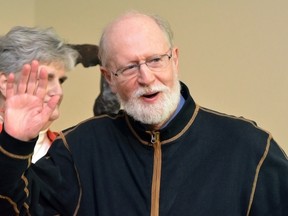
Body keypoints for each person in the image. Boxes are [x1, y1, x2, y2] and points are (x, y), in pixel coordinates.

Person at [0, 11, 287, 216]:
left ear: (174, 59)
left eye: (155, 60)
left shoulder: (251, 148)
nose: (146, 77)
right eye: (128, 68)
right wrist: (14, 142)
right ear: (108, 78)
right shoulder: (77, 149)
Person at [0, 26, 78, 163]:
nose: (58, 92)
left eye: (61, 81)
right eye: (44, 79)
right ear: (5, 83)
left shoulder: (69, 150)